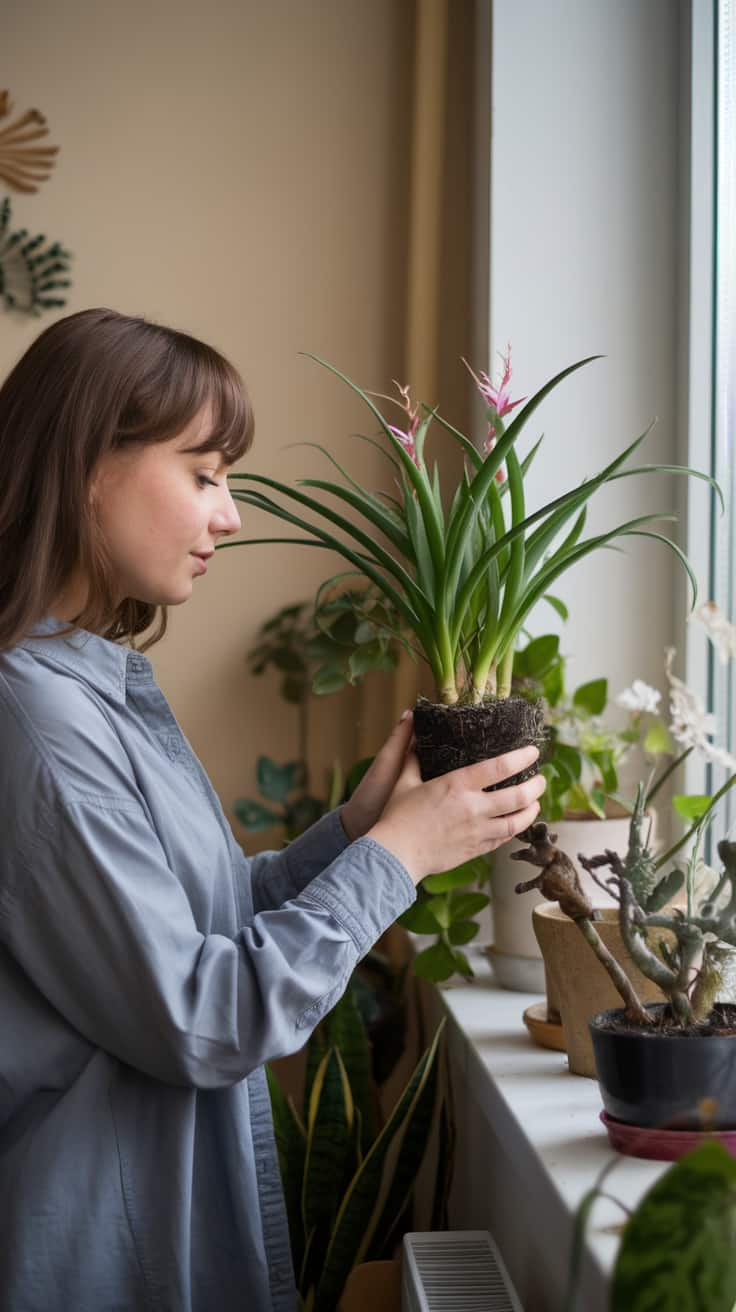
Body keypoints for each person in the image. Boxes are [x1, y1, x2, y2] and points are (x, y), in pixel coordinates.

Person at [0, 308, 545, 1312]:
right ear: (85, 465)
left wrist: (353, 830)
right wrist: (397, 856)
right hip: (97, 1262)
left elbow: (196, 920)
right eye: (204, 473)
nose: (231, 514)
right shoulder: (37, 719)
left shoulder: (81, 690)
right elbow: (201, 1015)